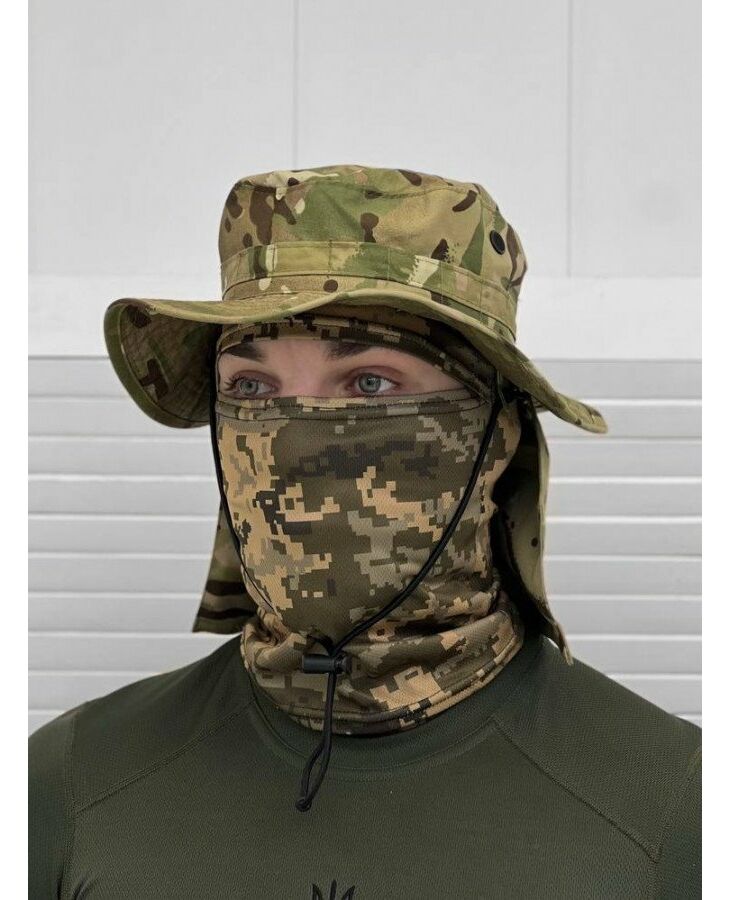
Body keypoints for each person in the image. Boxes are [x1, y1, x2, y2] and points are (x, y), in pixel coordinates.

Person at [29, 164, 701, 899]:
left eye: (370, 384)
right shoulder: (69, 785)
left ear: (494, 436)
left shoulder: (674, 811)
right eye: (251, 388)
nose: (295, 440)